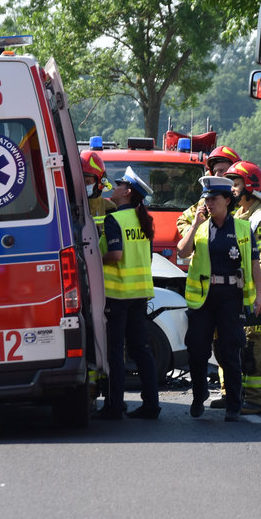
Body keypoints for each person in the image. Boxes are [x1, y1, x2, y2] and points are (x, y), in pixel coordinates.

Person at [177, 175, 261, 422]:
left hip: (231, 298)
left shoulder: (243, 229)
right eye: (206, 199)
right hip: (203, 300)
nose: (209, 203)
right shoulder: (201, 228)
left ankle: (234, 405)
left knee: (230, 350)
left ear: (228, 200)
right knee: (197, 349)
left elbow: (255, 264)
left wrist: (260, 295)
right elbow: (182, 251)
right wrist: (194, 224)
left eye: (214, 198)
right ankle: (198, 395)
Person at [94, 166, 162, 421]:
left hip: (117, 294)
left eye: (120, 184)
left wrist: (93, 260)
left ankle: (114, 406)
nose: (115, 186)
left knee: (115, 351)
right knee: (141, 349)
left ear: (128, 192)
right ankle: (152, 405)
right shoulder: (144, 220)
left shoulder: (115, 219)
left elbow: (115, 255)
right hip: (140, 293)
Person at [225, 160, 261, 416]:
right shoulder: (243, 215)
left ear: (250, 186)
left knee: (257, 345)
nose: (232, 189)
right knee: (246, 345)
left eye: (235, 184)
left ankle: (259, 400)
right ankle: (244, 397)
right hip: (249, 296)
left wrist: (259, 294)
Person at [176, 145, 241, 239]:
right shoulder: (204, 203)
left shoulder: (244, 202)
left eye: (222, 170)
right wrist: (194, 235)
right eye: (215, 172)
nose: (217, 175)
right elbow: (182, 221)